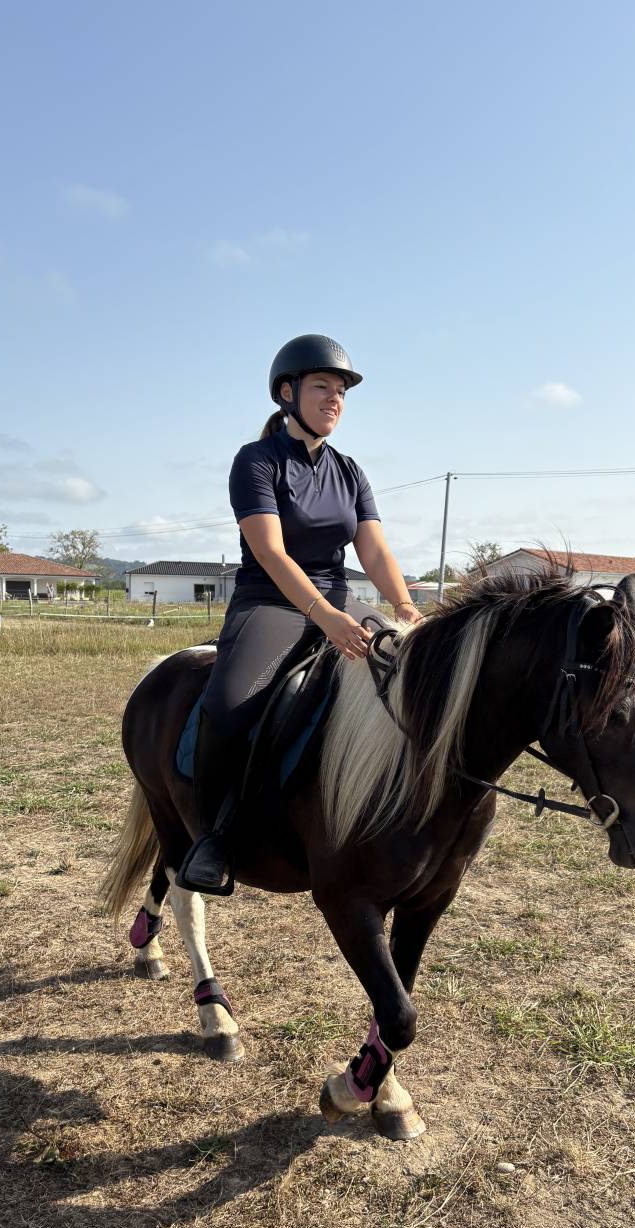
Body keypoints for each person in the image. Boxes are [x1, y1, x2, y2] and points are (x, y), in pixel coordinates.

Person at [176, 334, 423, 894]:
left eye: (340, 391)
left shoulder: (350, 470)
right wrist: (324, 617)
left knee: (412, 672)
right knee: (228, 702)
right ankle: (213, 837)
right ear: (287, 393)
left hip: (340, 598)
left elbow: (374, 550)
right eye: (322, 387)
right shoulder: (256, 461)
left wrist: (406, 609)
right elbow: (270, 550)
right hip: (271, 601)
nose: (334, 399)